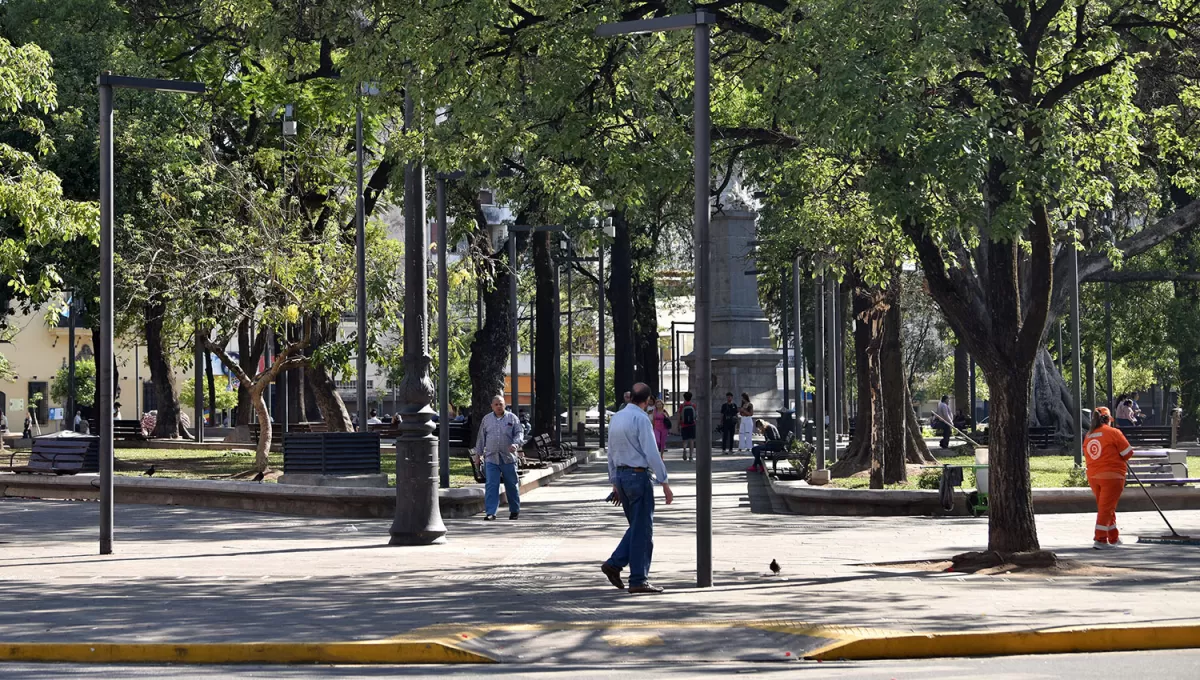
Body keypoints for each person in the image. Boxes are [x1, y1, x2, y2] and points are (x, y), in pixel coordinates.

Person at [601, 382, 673, 594]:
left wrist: (614, 481)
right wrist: (665, 482)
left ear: (630, 397)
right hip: (638, 476)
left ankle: (616, 564)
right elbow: (652, 453)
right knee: (642, 530)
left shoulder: (617, 417)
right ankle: (637, 578)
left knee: (637, 527)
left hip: (622, 477)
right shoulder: (641, 419)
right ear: (648, 400)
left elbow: (611, 452)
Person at [1083, 406, 1135, 549]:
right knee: (1106, 509)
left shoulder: (1089, 435)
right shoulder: (1113, 432)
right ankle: (1100, 540)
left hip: (1094, 476)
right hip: (1112, 476)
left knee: (1106, 506)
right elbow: (1128, 453)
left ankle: (1113, 537)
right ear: (1107, 419)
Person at [473, 395, 525, 521]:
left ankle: (514, 510)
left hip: (508, 458)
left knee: (511, 485)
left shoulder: (512, 418)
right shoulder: (487, 419)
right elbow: (481, 438)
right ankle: (491, 512)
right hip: (491, 458)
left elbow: (519, 432)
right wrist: (478, 455)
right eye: (496, 404)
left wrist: (516, 443)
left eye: (500, 404)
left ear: (505, 404)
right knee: (491, 485)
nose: (498, 406)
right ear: (492, 406)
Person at [678, 392, 696, 461]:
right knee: (691, 440)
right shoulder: (693, 405)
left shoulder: (682, 406)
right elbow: (695, 415)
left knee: (685, 440)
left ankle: (684, 449)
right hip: (692, 424)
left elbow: (679, 416)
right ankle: (691, 456)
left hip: (684, 425)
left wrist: (678, 425)